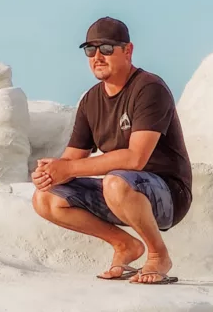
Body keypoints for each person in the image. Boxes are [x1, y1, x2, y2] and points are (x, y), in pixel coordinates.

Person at [32, 17, 192, 285]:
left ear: (127, 51)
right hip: (117, 190)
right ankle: (124, 245)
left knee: (116, 180)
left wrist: (69, 168)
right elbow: (73, 158)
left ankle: (158, 255)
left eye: (106, 48)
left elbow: (135, 158)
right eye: (90, 50)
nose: (97, 56)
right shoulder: (91, 100)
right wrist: (50, 173)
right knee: (44, 197)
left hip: (167, 195)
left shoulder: (149, 88)